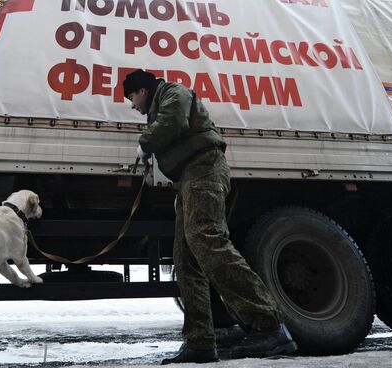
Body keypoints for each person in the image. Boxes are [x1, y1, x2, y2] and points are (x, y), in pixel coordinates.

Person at [122, 69, 298, 364]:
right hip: (189, 178)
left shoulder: (173, 92)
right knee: (185, 259)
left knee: (207, 239)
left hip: (203, 169)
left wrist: (146, 142)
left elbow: (174, 120)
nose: (132, 105)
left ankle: (268, 325)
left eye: (131, 97)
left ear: (141, 90)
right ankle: (200, 342)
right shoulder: (163, 102)